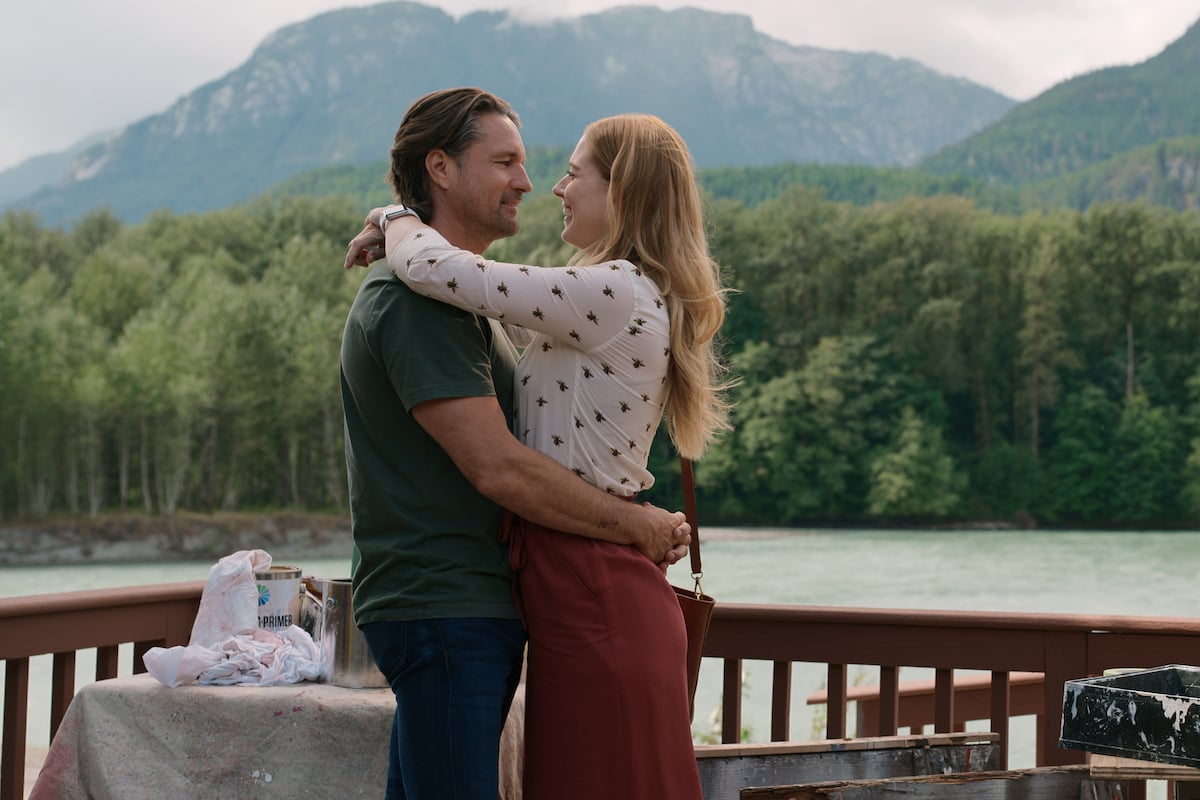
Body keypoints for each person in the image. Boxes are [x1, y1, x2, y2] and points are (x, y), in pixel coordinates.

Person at [358, 113, 729, 799]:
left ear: (624, 190)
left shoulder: (612, 290)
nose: (553, 187)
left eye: (574, 171)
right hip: (582, 586)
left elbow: (437, 267)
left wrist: (392, 216)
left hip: (591, 588)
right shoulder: (615, 294)